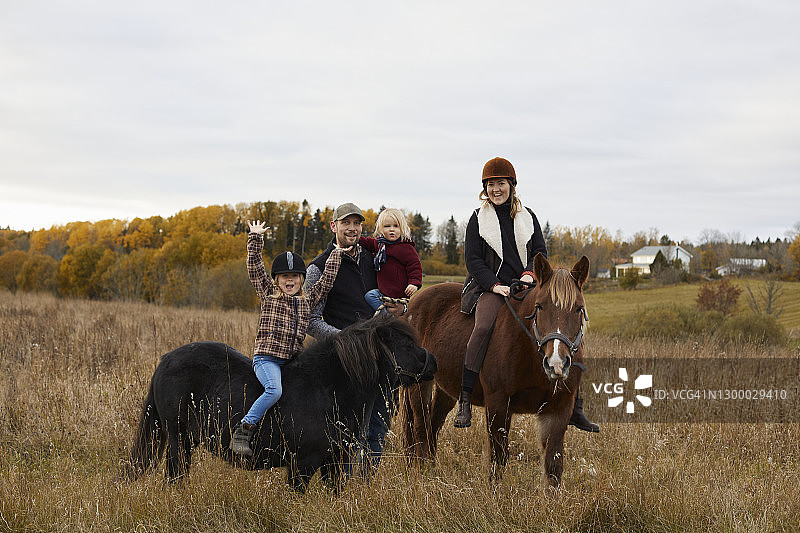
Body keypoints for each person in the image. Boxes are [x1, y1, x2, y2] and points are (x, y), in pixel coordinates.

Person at [453, 157, 599, 433]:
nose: (496, 189)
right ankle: (464, 397)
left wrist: (529, 276)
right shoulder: (477, 220)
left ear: (512, 185)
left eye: (501, 184)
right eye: (491, 184)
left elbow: (538, 252)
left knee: (564, 323)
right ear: (485, 188)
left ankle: (575, 405)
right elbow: (473, 260)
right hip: (491, 287)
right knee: (482, 327)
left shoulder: (527, 217)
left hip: (526, 283)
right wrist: (494, 285)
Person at [230, 220, 350, 458]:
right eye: (285, 276)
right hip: (268, 360)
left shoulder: (306, 301)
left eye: (295, 276)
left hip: (292, 359)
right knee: (274, 391)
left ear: (302, 279)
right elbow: (254, 267)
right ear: (276, 279)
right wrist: (255, 238)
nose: (290, 280)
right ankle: (244, 429)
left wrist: (336, 254)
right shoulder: (268, 294)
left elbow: (325, 283)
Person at [304, 202, 403, 475]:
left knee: (378, 426)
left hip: (380, 357)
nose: (352, 228)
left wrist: (401, 307)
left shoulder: (376, 260)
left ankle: (365, 490)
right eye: (346, 223)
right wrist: (347, 341)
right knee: (345, 430)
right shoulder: (318, 268)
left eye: (357, 223)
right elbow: (311, 321)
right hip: (342, 363)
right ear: (334, 226)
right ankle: (341, 489)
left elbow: (394, 296)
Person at [359, 207, 423, 313]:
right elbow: (366, 242)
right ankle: (384, 315)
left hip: (399, 294)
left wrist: (414, 283)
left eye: (396, 226)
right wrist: (355, 237)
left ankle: (386, 318)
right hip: (383, 292)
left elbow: (415, 266)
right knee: (370, 296)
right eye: (387, 226)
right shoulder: (379, 244)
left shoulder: (406, 247)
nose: (391, 229)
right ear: (380, 229)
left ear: (402, 228)